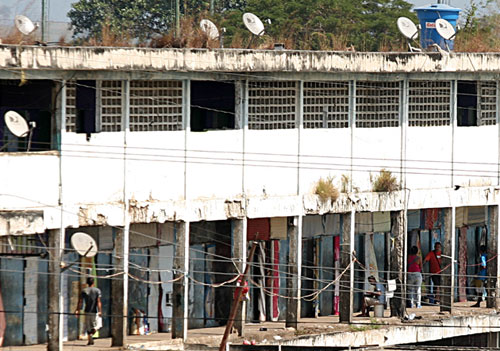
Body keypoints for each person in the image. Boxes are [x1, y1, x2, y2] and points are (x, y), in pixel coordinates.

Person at [75, 277, 102, 345]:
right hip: (94, 311)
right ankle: (91, 335)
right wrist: (100, 311)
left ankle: (90, 338)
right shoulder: (97, 290)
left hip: (86, 311)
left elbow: (80, 301)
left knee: (88, 326)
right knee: (98, 325)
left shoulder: (84, 291)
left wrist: (77, 310)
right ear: (93, 283)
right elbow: (98, 301)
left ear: (87, 283)